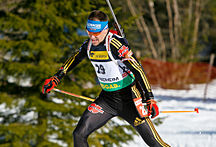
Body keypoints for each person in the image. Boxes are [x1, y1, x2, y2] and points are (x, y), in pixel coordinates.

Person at [42, 10, 170, 147]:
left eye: (96, 34)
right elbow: (75, 58)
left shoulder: (115, 45)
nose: (92, 37)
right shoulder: (89, 45)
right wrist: (57, 77)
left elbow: (137, 69)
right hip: (107, 100)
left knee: (156, 144)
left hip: (130, 100)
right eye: (89, 32)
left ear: (105, 29)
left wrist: (149, 97)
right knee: (78, 134)